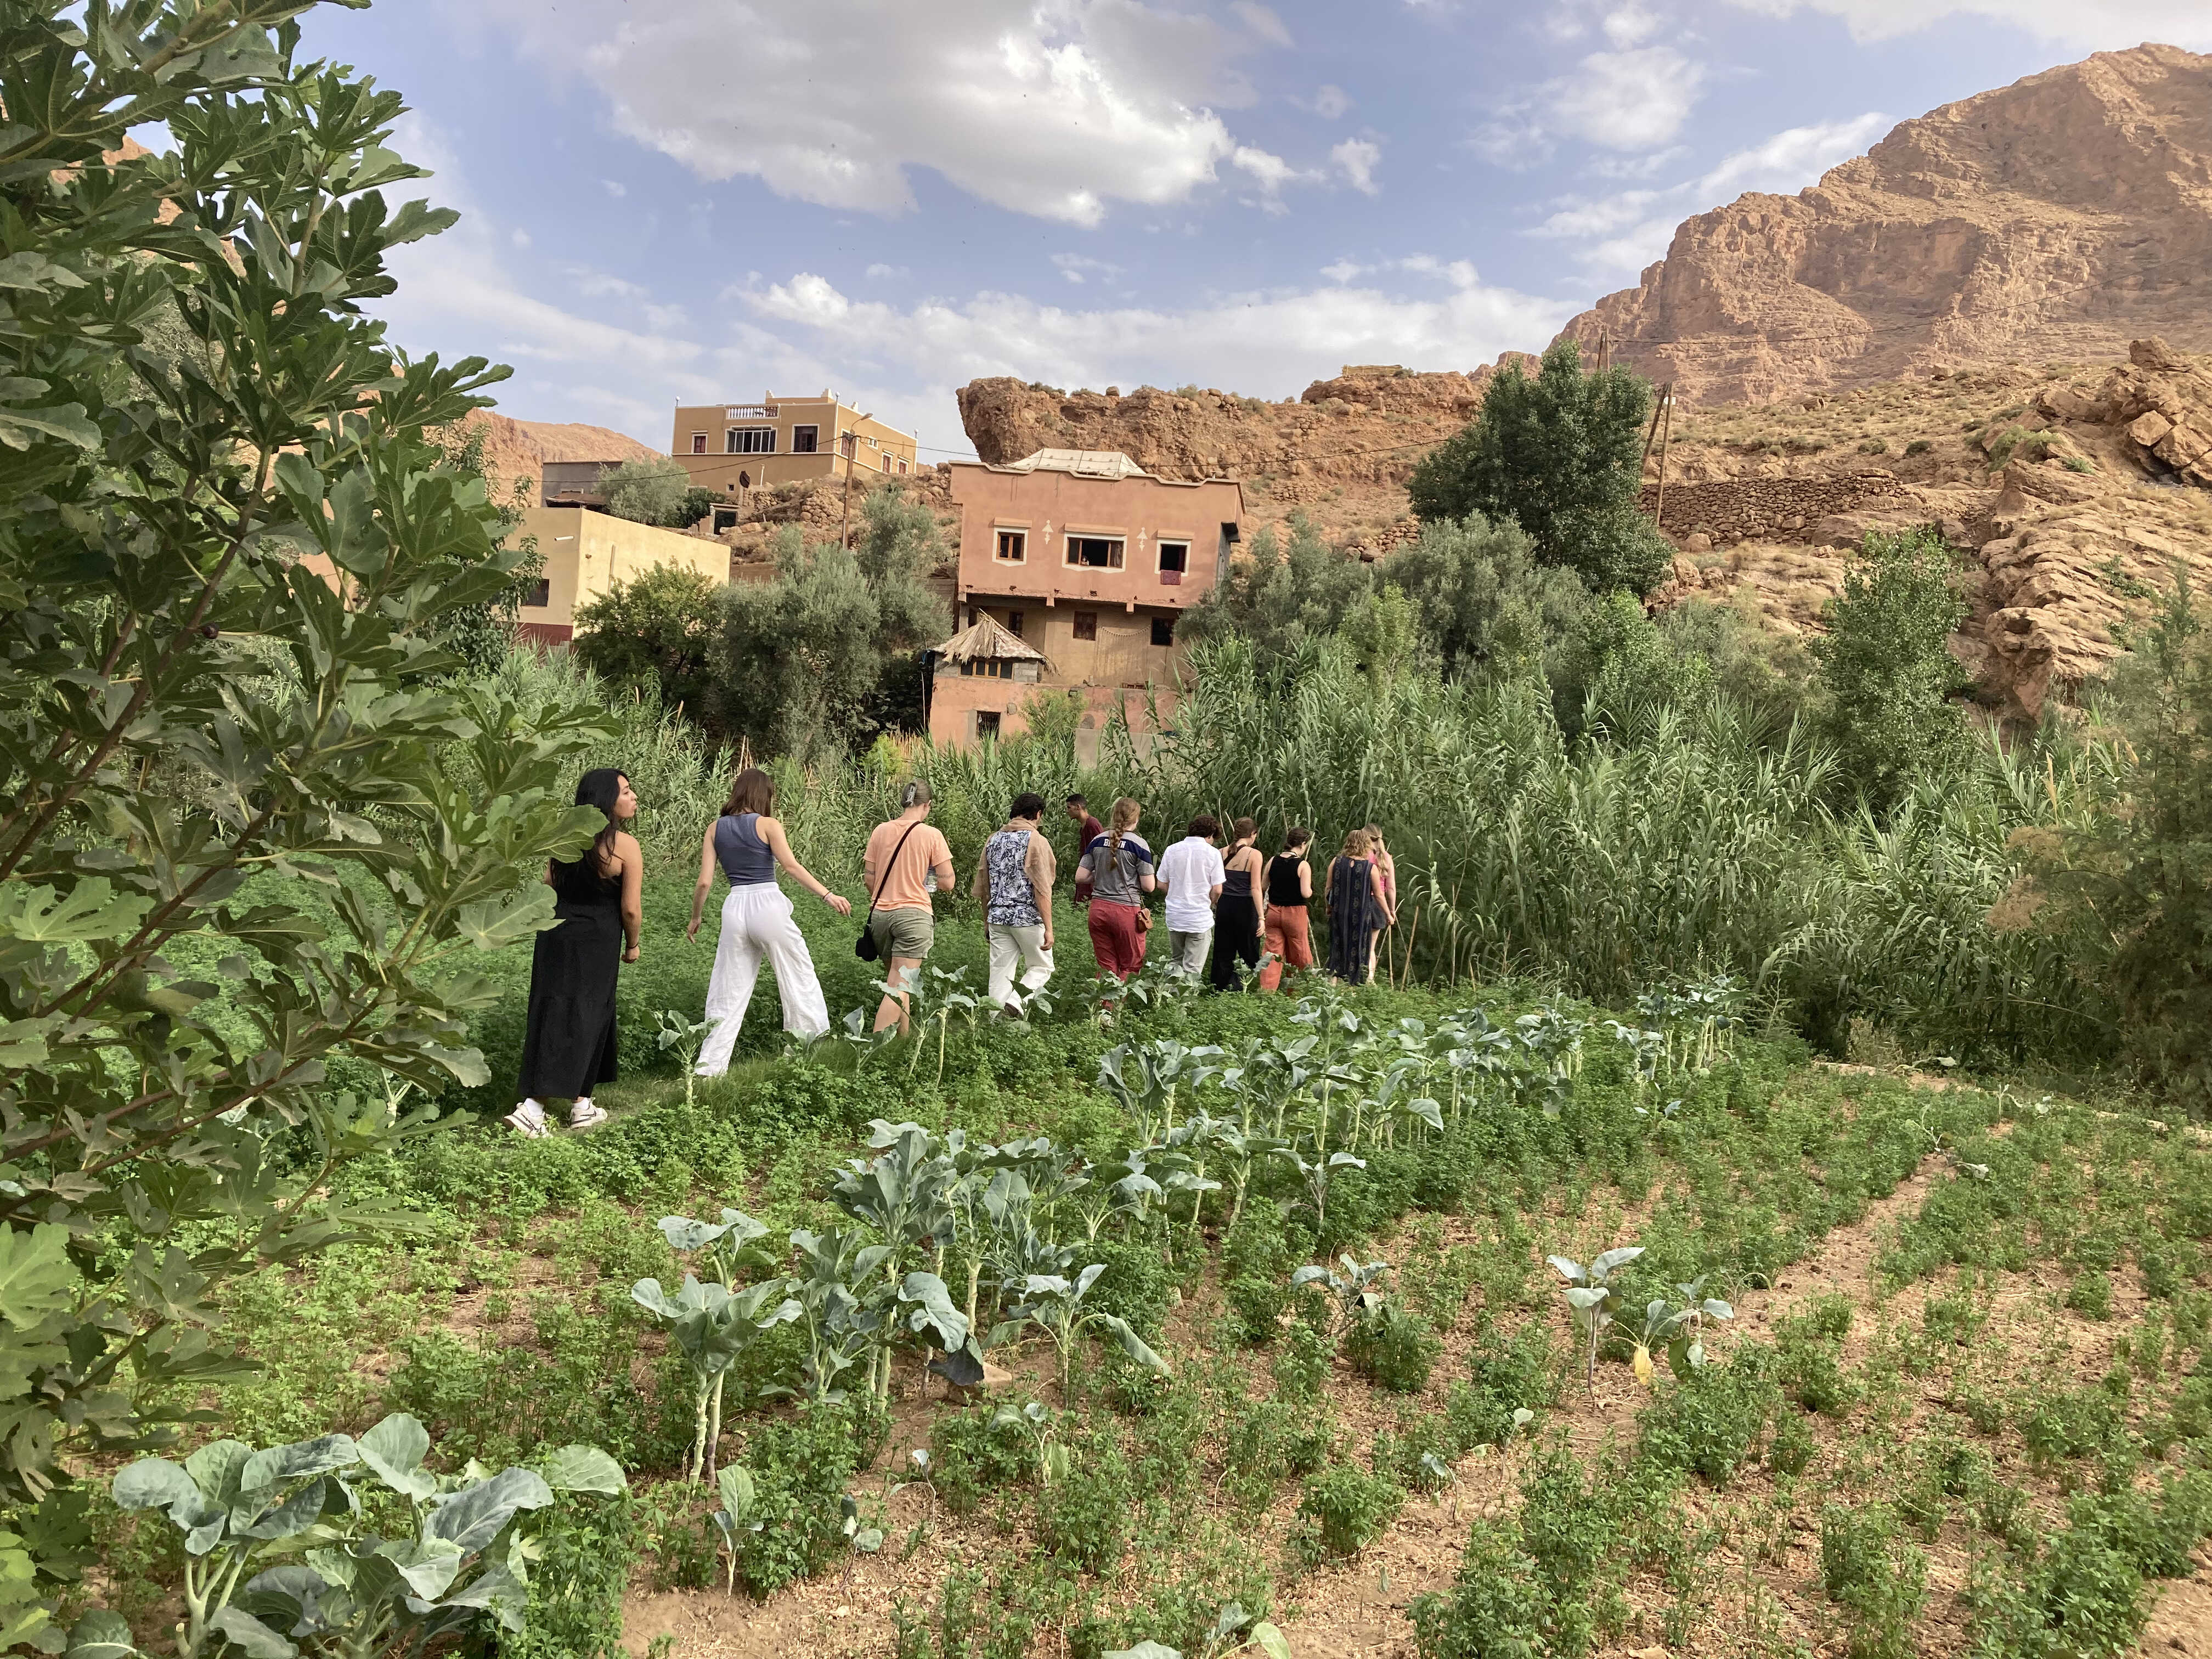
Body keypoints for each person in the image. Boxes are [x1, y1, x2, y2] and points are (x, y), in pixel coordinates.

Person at [686, 765, 853, 1074]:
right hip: (767, 903)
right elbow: (791, 866)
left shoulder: (714, 828)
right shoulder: (768, 825)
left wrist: (696, 917)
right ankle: (805, 1053)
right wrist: (828, 895)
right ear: (763, 795)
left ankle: (708, 1070)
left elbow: (704, 883)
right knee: (797, 976)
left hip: (734, 907)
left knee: (728, 989)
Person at [508, 768, 642, 1137]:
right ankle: (533, 1108)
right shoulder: (625, 846)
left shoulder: (563, 839)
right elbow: (631, 909)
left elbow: (548, 885)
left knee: (553, 1009)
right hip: (599, 939)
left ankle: (582, 1104)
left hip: (556, 934)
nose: (633, 798)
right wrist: (633, 945)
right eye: (626, 792)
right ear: (605, 800)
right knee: (590, 1013)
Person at [861, 780, 955, 1033]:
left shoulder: (880, 831)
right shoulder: (931, 835)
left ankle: (903, 1042)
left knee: (898, 980)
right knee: (899, 985)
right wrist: (929, 881)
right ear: (927, 805)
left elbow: (869, 877)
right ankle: (874, 1052)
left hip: (880, 916)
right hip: (914, 916)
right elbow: (947, 883)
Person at [973, 792, 1056, 1016]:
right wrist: (1049, 928)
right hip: (1027, 918)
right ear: (1038, 814)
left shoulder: (993, 840)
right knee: (1042, 966)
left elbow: (984, 885)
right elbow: (1042, 888)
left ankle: (994, 1020)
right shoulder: (1036, 841)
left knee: (1000, 971)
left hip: (998, 917)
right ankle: (1015, 1004)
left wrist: (986, 921)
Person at [1074, 797, 1154, 986]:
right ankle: (1114, 1007)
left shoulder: (1097, 840)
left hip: (1098, 910)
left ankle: (1103, 1011)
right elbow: (1149, 886)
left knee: (1106, 965)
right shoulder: (1139, 845)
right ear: (1136, 819)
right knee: (1131, 965)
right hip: (1126, 911)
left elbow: (1080, 877)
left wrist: (1101, 875)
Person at [1156, 815, 1225, 979]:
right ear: (1210, 835)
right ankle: (1183, 1004)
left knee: (1176, 962)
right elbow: (1217, 889)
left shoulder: (1172, 850)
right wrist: (1211, 903)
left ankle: (1167, 998)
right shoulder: (1213, 854)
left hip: (1175, 916)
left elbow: (1161, 884)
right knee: (1192, 969)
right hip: (1199, 918)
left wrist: (1175, 895)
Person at [1325, 827, 1392, 985]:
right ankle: (1356, 984)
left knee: (1338, 947)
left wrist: (1329, 906)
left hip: (1339, 913)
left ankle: (1333, 984)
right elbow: (1379, 895)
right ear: (1365, 845)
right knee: (1360, 948)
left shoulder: (1336, 862)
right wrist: (1388, 914)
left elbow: (1329, 888)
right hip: (1361, 916)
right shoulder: (1370, 868)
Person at [1257, 826, 1316, 993]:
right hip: (1295, 913)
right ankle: (1297, 991)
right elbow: (1306, 892)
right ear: (1303, 844)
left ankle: (1267, 991)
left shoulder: (1273, 861)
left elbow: (1263, 885)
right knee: (1299, 953)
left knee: (1272, 953)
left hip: (1274, 912)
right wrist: (1311, 890)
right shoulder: (1303, 865)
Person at [1210, 817, 1265, 992]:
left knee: (1223, 946)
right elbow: (1256, 887)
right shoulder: (1254, 855)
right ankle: (1244, 984)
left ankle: (1219, 984)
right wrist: (1262, 917)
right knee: (1247, 946)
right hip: (1245, 906)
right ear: (1252, 834)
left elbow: (1215, 884)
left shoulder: (1220, 852)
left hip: (1224, 904)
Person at [1365, 825, 1399, 984]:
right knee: (1371, 947)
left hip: (1360, 901)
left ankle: (1352, 979)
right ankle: (1370, 979)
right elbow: (1391, 887)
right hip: (1379, 904)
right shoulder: (1386, 857)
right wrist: (1391, 910)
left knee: (1356, 942)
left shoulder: (1360, 855)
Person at [1065, 793, 1105, 858]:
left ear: (1078, 807)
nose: (1067, 811)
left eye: (1069, 807)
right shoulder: (1085, 825)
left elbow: (1101, 849)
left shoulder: (1092, 824)